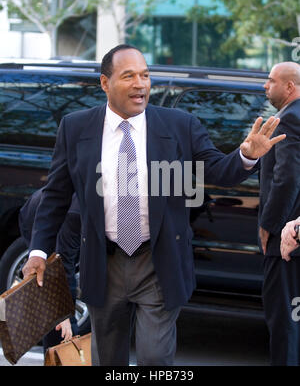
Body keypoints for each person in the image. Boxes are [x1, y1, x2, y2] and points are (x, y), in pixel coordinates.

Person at [22, 44, 283, 366]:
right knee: (109, 359)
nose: (140, 84)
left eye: (145, 75)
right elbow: (56, 196)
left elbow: (217, 170)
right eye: (128, 76)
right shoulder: (76, 127)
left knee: (155, 358)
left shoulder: (179, 125)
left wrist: (247, 156)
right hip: (103, 263)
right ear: (105, 83)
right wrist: (37, 251)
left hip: (159, 260)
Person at [258, 61, 300, 366]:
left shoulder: (289, 120)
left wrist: (269, 226)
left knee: (284, 319)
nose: (265, 85)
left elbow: (286, 177)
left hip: (287, 239)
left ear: (289, 87)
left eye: (270, 80)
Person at [19, 189, 80, 350]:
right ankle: (61, 355)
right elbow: (62, 265)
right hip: (37, 221)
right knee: (59, 315)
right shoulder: (75, 214)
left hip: (59, 217)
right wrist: (62, 313)